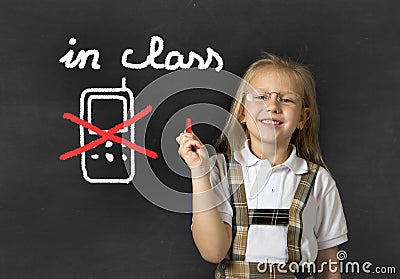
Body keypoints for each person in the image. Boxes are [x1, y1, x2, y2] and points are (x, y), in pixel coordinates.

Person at [176, 52, 348, 279]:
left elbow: (329, 260)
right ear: (241, 113)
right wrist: (199, 172)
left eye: (286, 99)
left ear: (303, 119)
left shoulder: (318, 180)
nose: (273, 106)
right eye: (261, 97)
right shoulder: (219, 168)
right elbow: (213, 251)